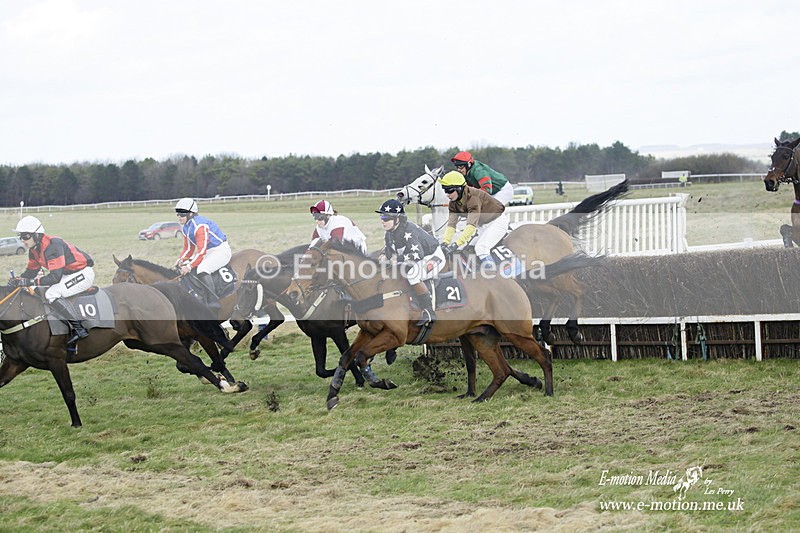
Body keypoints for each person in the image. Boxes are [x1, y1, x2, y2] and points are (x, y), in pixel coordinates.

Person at [10, 215, 95, 345]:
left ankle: (79, 329)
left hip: (83, 273)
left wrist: (30, 282)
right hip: (68, 275)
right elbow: (30, 273)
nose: (23, 240)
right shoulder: (34, 250)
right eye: (20, 236)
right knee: (37, 290)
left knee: (51, 293)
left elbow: (55, 278)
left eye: (26, 236)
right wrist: (18, 280)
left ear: (36, 235)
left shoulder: (52, 245)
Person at [376, 199, 444, 326]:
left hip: (434, 256)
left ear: (397, 218)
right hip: (418, 258)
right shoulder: (389, 233)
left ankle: (429, 312)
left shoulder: (409, 230)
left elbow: (418, 254)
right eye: (381, 216)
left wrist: (398, 259)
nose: (382, 220)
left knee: (413, 275)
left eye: (385, 217)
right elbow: (390, 252)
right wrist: (384, 256)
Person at [438, 170, 510, 270]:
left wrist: (456, 244)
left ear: (459, 189)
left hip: (497, 222)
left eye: (450, 191)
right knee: (465, 248)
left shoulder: (473, 198)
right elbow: (451, 225)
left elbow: (471, 226)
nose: (447, 194)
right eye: (445, 191)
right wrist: (446, 242)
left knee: (481, 248)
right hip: (483, 225)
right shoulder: (453, 203)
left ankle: (494, 276)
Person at [174, 198, 232, 309]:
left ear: (191, 214)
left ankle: (213, 300)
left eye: (182, 214)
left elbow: (201, 251)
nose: (179, 217)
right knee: (188, 265)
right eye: (178, 214)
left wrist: (189, 266)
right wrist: (180, 261)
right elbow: (188, 248)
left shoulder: (200, 225)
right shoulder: (186, 227)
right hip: (209, 251)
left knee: (202, 269)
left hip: (220, 250)